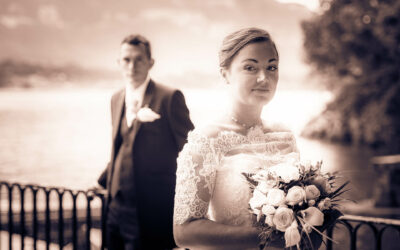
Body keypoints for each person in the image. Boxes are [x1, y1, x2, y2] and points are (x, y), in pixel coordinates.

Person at [173, 27, 320, 250]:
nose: (264, 77)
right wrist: (266, 237)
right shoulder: (207, 140)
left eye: (271, 67)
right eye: (250, 68)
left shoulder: (285, 137)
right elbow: (184, 232)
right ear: (225, 74)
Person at [97, 34, 194, 250]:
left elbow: (192, 151)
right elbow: (121, 146)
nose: (132, 66)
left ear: (151, 62)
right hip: (114, 209)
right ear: (119, 63)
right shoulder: (116, 98)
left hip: (151, 210)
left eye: (139, 59)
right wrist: (104, 182)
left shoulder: (170, 97)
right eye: (126, 60)